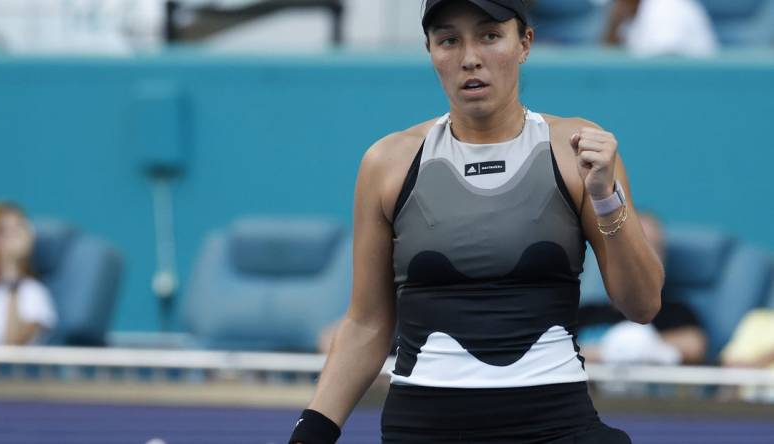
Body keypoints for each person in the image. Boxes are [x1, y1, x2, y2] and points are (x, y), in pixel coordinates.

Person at [290, 1, 663, 442]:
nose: (470, 58)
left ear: (524, 43)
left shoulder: (579, 150)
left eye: (489, 36)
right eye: (449, 40)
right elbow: (367, 324)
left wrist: (605, 197)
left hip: (558, 427)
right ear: (430, 50)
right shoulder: (386, 164)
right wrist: (311, 432)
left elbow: (642, 305)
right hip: (422, 429)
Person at [577, 213, 707, 365]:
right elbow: (559, 351)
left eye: (652, 248)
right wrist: (611, 351)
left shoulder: (677, 313)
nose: (643, 259)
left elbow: (694, 345)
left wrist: (643, 345)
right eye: (633, 248)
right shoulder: (585, 314)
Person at [0, 202, 57, 345]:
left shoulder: (34, 293)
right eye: (3, 232)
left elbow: (13, 345)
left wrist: (11, 271)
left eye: (18, 228)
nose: (12, 237)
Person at [604, 0, 718, 58]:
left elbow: (664, 68)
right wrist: (613, 26)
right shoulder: (630, 16)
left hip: (696, 91)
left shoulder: (667, 8)